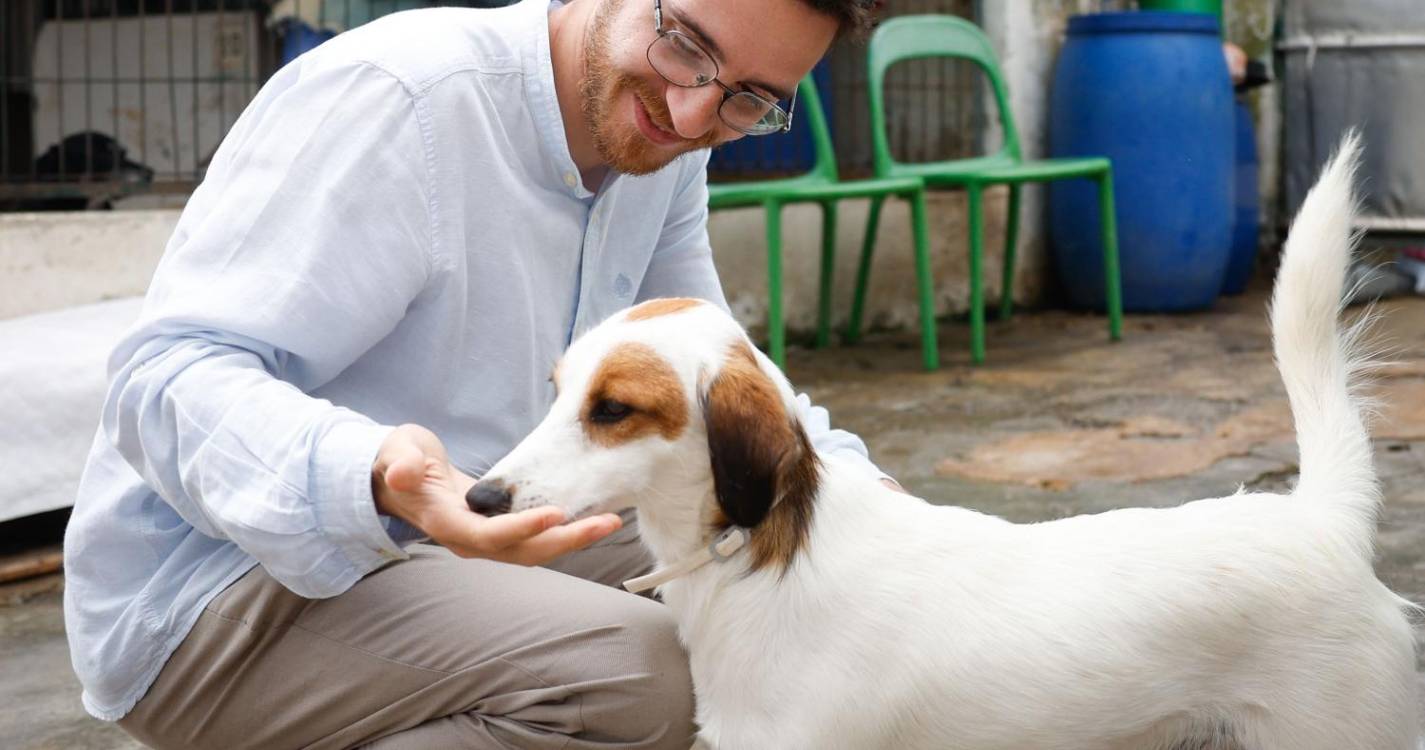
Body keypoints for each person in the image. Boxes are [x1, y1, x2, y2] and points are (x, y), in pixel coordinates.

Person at [64, 0, 895, 747]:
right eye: (682, 44)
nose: (688, 112)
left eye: (747, 98)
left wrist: (873, 509)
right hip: (222, 590)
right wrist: (378, 473)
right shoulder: (397, 100)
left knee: (795, 579)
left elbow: (713, 370)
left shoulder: (662, 143)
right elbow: (164, 377)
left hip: (479, 523)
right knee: (648, 676)